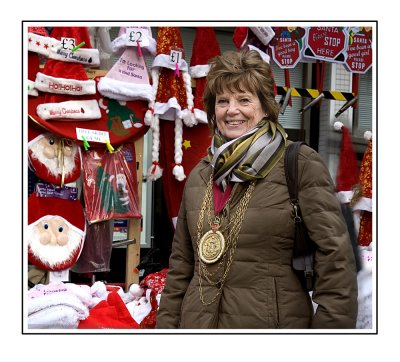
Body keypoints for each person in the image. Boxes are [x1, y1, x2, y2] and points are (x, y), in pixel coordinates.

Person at [156, 50, 358, 329]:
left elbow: (336, 262)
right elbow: (181, 265)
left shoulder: (300, 164)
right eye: (222, 101)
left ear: (265, 106)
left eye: (244, 100)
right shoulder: (201, 174)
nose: (231, 110)